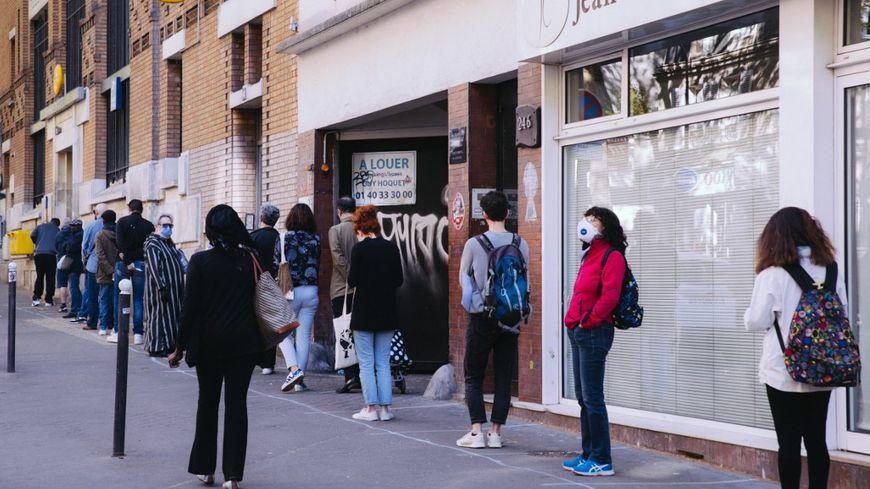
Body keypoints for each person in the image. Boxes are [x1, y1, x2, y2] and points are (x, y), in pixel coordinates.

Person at [744, 207, 847, 489]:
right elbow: (843, 314)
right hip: (824, 368)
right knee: (817, 441)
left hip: (782, 370)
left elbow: (756, 321)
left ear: (774, 237)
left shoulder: (772, 274)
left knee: (788, 443)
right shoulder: (831, 269)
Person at [169, 204, 262, 489]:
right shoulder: (250, 260)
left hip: (209, 343)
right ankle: (233, 476)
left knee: (207, 404)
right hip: (244, 344)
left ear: (210, 230)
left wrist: (179, 347)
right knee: (237, 407)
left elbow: (190, 309)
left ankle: (205, 469)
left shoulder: (200, 261)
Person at [456, 191, 529, 449]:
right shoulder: (521, 243)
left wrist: (475, 305)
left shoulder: (475, 244)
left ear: (483, 214)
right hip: (511, 317)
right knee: (503, 376)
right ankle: (496, 433)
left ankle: (476, 432)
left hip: (483, 317)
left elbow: (464, 280)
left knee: (473, 374)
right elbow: (525, 281)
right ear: (507, 214)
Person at [561, 206, 626, 476]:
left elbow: (610, 296)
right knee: (582, 397)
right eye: (586, 219)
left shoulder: (612, 256)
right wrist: (572, 320)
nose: (586, 224)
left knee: (593, 398)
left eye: (593, 220)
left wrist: (588, 320)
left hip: (594, 331)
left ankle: (602, 459)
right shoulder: (589, 255)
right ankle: (588, 453)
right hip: (578, 330)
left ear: (605, 226)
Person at [347, 204, 403, 421]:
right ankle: (386, 409)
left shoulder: (359, 250)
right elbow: (399, 280)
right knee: (383, 361)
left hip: (364, 312)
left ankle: (371, 408)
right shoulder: (391, 248)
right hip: (387, 311)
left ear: (359, 227)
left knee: (366, 362)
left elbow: (352, 281)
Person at [278, 203, 321, 393]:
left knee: (281, 332)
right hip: (311, 291)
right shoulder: (316, 239)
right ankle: (299, 382)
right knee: (303, 336)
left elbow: (275, 263)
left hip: (291, 291)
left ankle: (294, 370)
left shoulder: (284, 238)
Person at [329, 196, 362, 394]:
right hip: (363, 289)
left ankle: (351, 376)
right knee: (361, 332)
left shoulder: (335, 230)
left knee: (344, 333)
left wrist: (352, 278)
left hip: (342, 289)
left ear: (339, 211)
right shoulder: (362, 228)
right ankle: (363, 374)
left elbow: (338, 259)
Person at [112, 199, 154, 345]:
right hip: (141, 263)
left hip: (123, 263)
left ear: (129, 208)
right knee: (138, 298)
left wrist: (127, 261)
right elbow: (147, 247)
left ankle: (118, 330)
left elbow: (120, 244)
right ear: (141, 209)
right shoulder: (149, 225)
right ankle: (138, 334)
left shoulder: (122, 222)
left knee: (120, 297)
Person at [143, 214, 185, 357]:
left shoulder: (169, 242)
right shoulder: (153, 244)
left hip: (174, 290)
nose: (167, 228)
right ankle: (157, 346)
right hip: (159, 289)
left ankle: (169, 344)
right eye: (164, 225)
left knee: (171, 317)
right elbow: (154, 267)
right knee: (158, 317)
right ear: (157, 226)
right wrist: (161, 287)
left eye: (170, 226)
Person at [250, 204, 281, 375]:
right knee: (272, 322)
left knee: (255, 321)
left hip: (256, 283)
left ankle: (256, 358)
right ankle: (269, 362)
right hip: (274, 283)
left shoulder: (253, 237)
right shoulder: (279, 237)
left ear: (261, 218)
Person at [77, 204, 108, 328]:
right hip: (109, 266)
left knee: (92, 294)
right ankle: (107, 322)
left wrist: (84, 261)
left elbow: (84, 246)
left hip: (93, 265)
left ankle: (92, 322)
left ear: (96, 213)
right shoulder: (114, 226)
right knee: (107, 295)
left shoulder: (91, 226)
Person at [95, 211, 119, 336]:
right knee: (116, 301)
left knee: (103, 299)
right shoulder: (119, 233)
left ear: (103, 220)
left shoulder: (100, 235)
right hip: (119, 271)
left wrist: (109, 270)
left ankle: (103, 326)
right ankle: (116, 327)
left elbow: (100, 255)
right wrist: (115, 270)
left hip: (104, 272)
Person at [30, 218, 60, 307]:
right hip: (51, 255)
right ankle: (49, 300)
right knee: (50, 277)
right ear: (57, 224)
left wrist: (37, 242)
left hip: (39, 254)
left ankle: (36, 298)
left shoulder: (40, 226)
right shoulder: (57, 229)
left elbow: (32, 235)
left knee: (40, 276)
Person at [61, 219, 85, 321]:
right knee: (74, 287)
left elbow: (70, 247)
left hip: (75, 265)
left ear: (79, 226)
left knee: (73, 288)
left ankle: (75, 309)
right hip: (74, 264)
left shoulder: (78, 235)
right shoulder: (74, 235)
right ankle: (78, 307)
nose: (72, 227)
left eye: (74, 225)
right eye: (71, 225)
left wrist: (67, 246)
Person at [54, 220, 72, 312]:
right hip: (72, 260)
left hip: (62, 261)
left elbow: (56, 247)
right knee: (73, 284)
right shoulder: (74, 233)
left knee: (62, 284)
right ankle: (74, 304)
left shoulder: (58, 234)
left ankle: (63, 304)